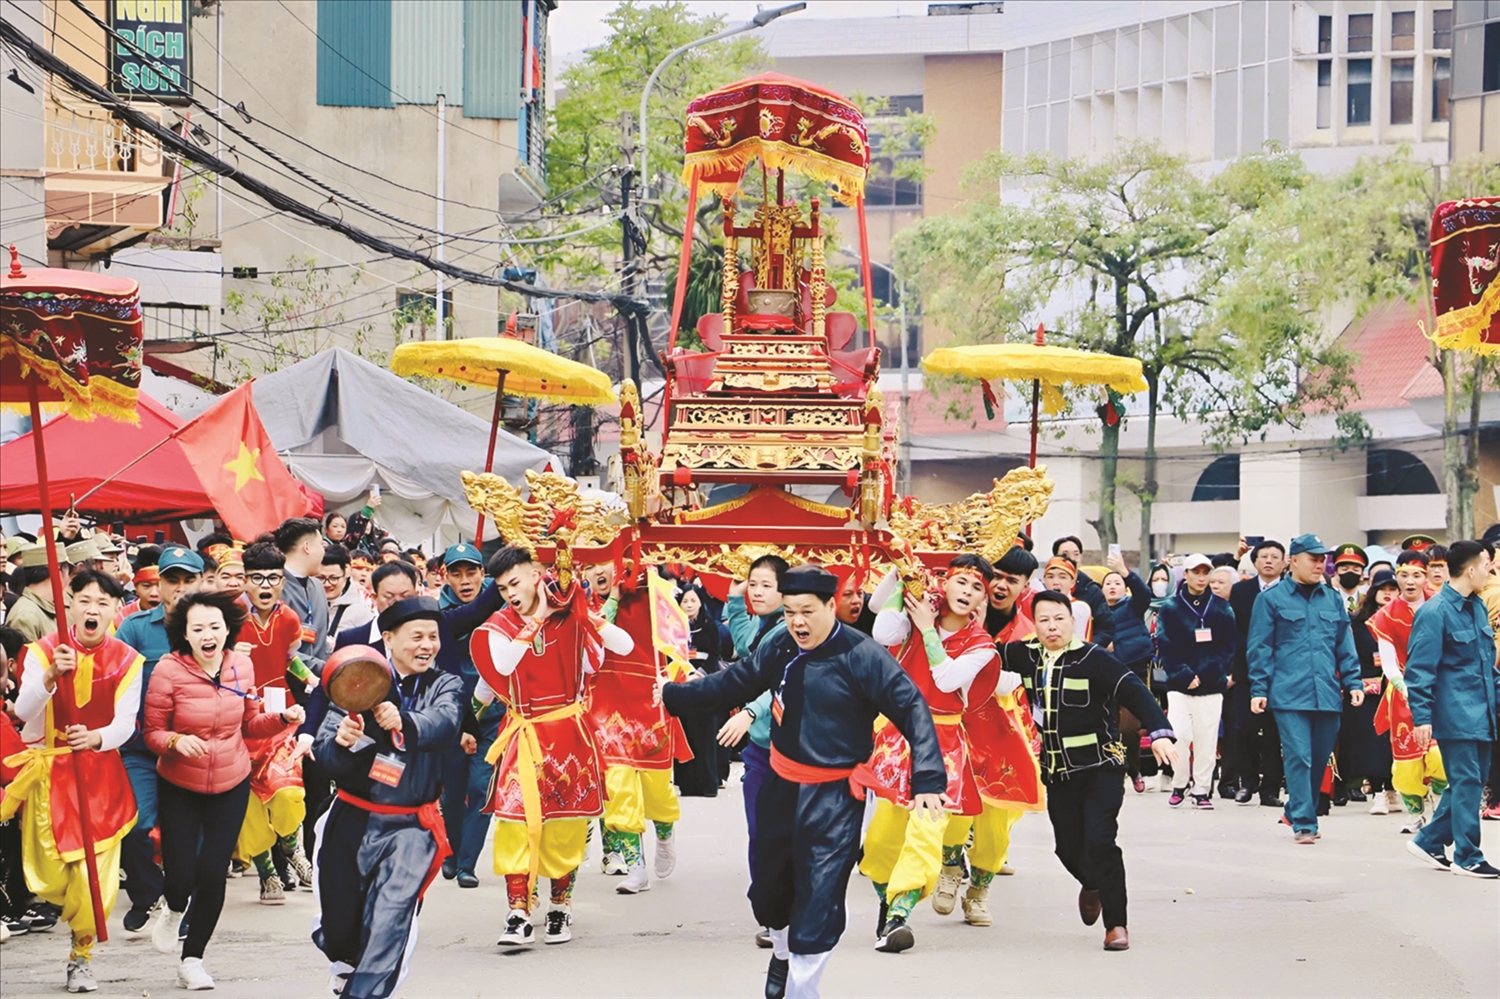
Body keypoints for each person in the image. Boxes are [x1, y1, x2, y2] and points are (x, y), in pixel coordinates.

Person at [658, 565, 943, 999]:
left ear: (832, 606)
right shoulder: (780, 645)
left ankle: (801, 988)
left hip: (835, 796)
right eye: (790, 612)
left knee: (820, 894)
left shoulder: (862, 655)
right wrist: (671, 696)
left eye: (807, 611)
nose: (798, 622)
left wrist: (926, 779)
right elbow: (736, 681)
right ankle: (783, 950)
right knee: (768, 893)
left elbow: (913, 708)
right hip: (781, 783)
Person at [999, 589, 1177, 952]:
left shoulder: (1094, 658)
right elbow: (981, 647)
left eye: (1059, 619)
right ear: (1033, 624)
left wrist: (1160, 732)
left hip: (1102, 767)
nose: (1052, 627)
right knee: (1066, 848)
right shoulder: (1025, 655)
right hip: (1059, 771)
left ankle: (1116, 925)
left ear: (1072, 620)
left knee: (1100, 840)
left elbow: (1135, 692)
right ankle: (1093, 883)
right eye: (1044, 620)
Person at [142, 590, 304, 989]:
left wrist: (281, 718)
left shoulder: (241, 667)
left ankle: (192, 960)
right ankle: (174, 906)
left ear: (228, 629)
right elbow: (151, 733)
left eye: (214, 626)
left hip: (231, 781)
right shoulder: (168, 670)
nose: (207, 634)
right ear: (185, 633)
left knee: (212, 873)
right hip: (181, 783)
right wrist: (176, 742)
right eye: (197, 628)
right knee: (181, 875)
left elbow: (249, 726)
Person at [471, 547, 631, 947]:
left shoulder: (571, 618)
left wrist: (586, 615)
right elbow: (501, 669)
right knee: (512, 823)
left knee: (565, 826)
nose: (509, 593)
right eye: (503, 587)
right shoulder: (499, 624)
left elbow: (624, 647)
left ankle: (560, 905)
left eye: (516, 582)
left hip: (568, 736)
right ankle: (518, 912)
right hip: (523, 735)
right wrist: (468, 720)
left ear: (537, 574)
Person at [312, 597, 464, 997]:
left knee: (388, 925)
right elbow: (327, 753)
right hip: (351, 818)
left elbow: (445, 722)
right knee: (340, 926)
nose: (427, 645)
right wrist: (342, 742)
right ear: (389, 638)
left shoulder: (444, 683)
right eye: (417, 637)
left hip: (411, 828)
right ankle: (339, 949)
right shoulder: (355, 679)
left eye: (433, 637)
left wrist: (407, 721)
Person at [3, 570, 142, 992]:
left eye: (103, 602)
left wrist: (97, 737)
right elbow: (23, 712)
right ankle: (70, 915)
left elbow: (125, 724)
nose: (93, 609)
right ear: (70, 605)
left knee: (92, 877)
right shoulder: (42, 652)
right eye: (85, 600)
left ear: (116, 609)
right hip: (51, 776)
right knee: (52, 876)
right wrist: (47, 679)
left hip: (100, 777)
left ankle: (80, 956)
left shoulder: (127, 660)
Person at [861, 556, 998, 948]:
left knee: (925, 831)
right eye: (962, 582)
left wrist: (926, 630)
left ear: (981, 600)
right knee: (881, 841)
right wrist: (904, 572)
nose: (967, 592)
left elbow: (947, 676)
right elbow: (882, 628)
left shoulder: (982, 645)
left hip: (944, 744)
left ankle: (899, 917)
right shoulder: (921, 607)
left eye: (977, 589)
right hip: (899, 733)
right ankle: (888, 907)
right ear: (946, 582)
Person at [1246, 534, 1364, 844]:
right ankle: (1305, 822)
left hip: (1326, 691)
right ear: (1293, 561)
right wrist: (1259, 689)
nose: (1320, 564)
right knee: (1299, 755)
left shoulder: (1332, 598)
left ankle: (1295, 807)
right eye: (1312, 558)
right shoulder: (1270, 599)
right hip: (1287, 692)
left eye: (1322, 558)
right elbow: (1260, 648)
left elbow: (1344, 644)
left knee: (1319, 756)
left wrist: (1353, 682)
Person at [579, 562, 687, 895]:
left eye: (604, 563)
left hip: (648, 701)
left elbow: (678, 638)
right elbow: (594, 639)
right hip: (606, 704)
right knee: (619, 791)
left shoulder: (650, 593)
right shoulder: (583, 605)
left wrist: (675, 682)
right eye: (589, 565)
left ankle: (665, 833)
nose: (598, 571)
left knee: (657, 790)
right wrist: (610, 598)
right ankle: (635, 866)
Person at [112, 546, 202, 932]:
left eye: (188, 580)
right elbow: (109, 679)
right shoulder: (133, 628)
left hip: (192, 750)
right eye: (172, 580)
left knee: (189, 833)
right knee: (134, 825)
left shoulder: (214, 629)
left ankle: (182, 904)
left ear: (201, 583)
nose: (179, 588)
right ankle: (147, 895)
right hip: (141, 748)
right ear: (158, 584)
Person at [1403, 540, 1500, 877]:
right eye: (1488, 564)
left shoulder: (1476, 607)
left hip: (1483, 711)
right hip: (1455, 712)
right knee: (1467, 781)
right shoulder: (1434, 612)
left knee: (1469, 783)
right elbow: (1418, 671)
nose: (1491, 570)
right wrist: (1423, 717)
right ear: (1471, 569)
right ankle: (1468, 855)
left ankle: (1429, 840)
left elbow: (1488, 665)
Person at [235, 542, 316, 902]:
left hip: (282, 710)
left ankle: (290, 844)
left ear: (282, 581)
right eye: (256, 578)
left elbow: (288, 659)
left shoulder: (289, 618)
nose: (265, 585)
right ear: (245, 580)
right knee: (251, 800)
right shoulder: (230, 616)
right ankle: (267, 873)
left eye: (272, 578)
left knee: (287, 787)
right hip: (240, 715)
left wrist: (310, 678)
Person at [719, 554, 789, 949]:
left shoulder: (789, 629)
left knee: (782, 833)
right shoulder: (764, 624)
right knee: (760, 832)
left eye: (766, 585)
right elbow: (746, 645)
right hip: (761, 750)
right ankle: (769, 910)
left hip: (793, 749)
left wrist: (749, 711)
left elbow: (776, 680)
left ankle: (782, 908)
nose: (757, 591)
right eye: (753, 583)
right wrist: (734, 600)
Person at [1368, 551, 1444, 832]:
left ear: (1426, 577)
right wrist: (1408, 689)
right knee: (1407, 762)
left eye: (1417, 575)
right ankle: (1415, 812)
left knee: (1439, 756)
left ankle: (1439, 803)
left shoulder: (1442, 606)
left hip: (1441, 690)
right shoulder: (1386, 616)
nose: (1410, 582)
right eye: (1403, 575)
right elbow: (1389, 664)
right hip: (1404, 694)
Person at [433, 543, 494, 889]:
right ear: (445, 576)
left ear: (483, 574)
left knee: (481, 786)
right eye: (456, 573)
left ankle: (468, 863)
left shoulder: (501, 605)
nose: (465, 579)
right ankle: (452, 853)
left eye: (471, 571)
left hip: (494, 711)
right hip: (454, 715)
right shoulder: (437, 613)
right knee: (453, 792)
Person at [1155, 554, 1237, 809]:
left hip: (1211, 686)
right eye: (1196, 572)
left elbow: (1228, 647)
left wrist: (1206, 674)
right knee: (1179, 734)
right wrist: (1184, 675)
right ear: (1186, 574)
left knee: (1207, 738)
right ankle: (1180, 782)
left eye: (1205, 572)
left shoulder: (1223, 608)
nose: (1201, 578)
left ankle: (1202, 789)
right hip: (1180, 685)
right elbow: (1165, 645)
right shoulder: (1170, 607)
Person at [1228, 540, 1286, 807]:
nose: (1269, 561)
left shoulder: (1291, 591)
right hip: (1247, 670)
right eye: (1264, 557)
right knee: (1245, 729)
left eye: (1275, 557)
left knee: (1275, 733)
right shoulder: (1240, 591)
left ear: (1286, 562)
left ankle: (1271, 788)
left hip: (1282, 672)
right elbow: (1235, 629)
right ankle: (1247, 782)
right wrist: (1254, 649)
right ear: (1254, 562)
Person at [1101, 554, 1154, 793]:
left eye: (1117, 583)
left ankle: (1135, 770)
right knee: (1107, 728)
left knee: (1129, 728)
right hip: (1103, 678)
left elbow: (1144, 593)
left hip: (1132, 673)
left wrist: (1125, 572)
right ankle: (1112, 773)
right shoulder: (1096, 612)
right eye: (1108, 583)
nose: (1112, 587)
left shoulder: (1133, 606)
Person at [1348, 570, 1398, 815]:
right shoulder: (1358, 622)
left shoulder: (1404, 618)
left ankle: (1392, 789)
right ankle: (1376, 791)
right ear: (1373, 591)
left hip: (1397, 687)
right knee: (1372, 739)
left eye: (1392, 589)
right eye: (1383, 589)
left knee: (1394, 740)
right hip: (1369, 687)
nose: (1387, 594)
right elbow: (1351, 654)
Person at [674, 584, 724, 798]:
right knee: (685, 731)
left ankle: (707, 783)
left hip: (704, 681)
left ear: (701, 602)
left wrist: (701, 673)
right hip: (681, 680)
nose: (689, 605)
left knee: (705, 734)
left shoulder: (710, 625)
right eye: (685, 601)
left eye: (693, 600)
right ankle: (687, 784)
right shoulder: (672, 627)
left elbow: (715, 654)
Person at [273, 518, 330, 672]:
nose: (324, 552)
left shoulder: (317, 586)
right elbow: (278, 649)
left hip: (319, 684)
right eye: (321, 545)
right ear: (306, 547)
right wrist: (325, 669)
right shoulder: (274, 587)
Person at [1051, 537, 1114, 649]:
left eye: (1076, 554)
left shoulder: (1091, 590)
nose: (1072, 558)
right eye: (1065, 554)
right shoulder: (1046, 589)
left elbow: (1105, 628)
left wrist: (1087, 648)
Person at [7, 543, 69, 643]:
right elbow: (26, 657)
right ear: (57, 570)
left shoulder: (43, 609)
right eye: (67, 569)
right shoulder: (26, 616)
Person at [320, 545, 374, 653]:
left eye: (333, 578)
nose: (327, 584)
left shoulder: (360, 608)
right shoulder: (306, 601)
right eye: (320, 578)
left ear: (347, 572)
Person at [1041, 557, 1095, 641]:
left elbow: (1079, 641)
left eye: (1062, 577)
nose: (1055, 582)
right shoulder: (1040, 607)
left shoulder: (1079, 607)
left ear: (1072, 582)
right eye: (1050, 577)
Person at [1329, 543, 1369, 613]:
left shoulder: (1367, 602)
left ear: (1362, 575)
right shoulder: (1329, 600)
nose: (1350, 573)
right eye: (1345, 569)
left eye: (1355, 570)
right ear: (1336, 574)